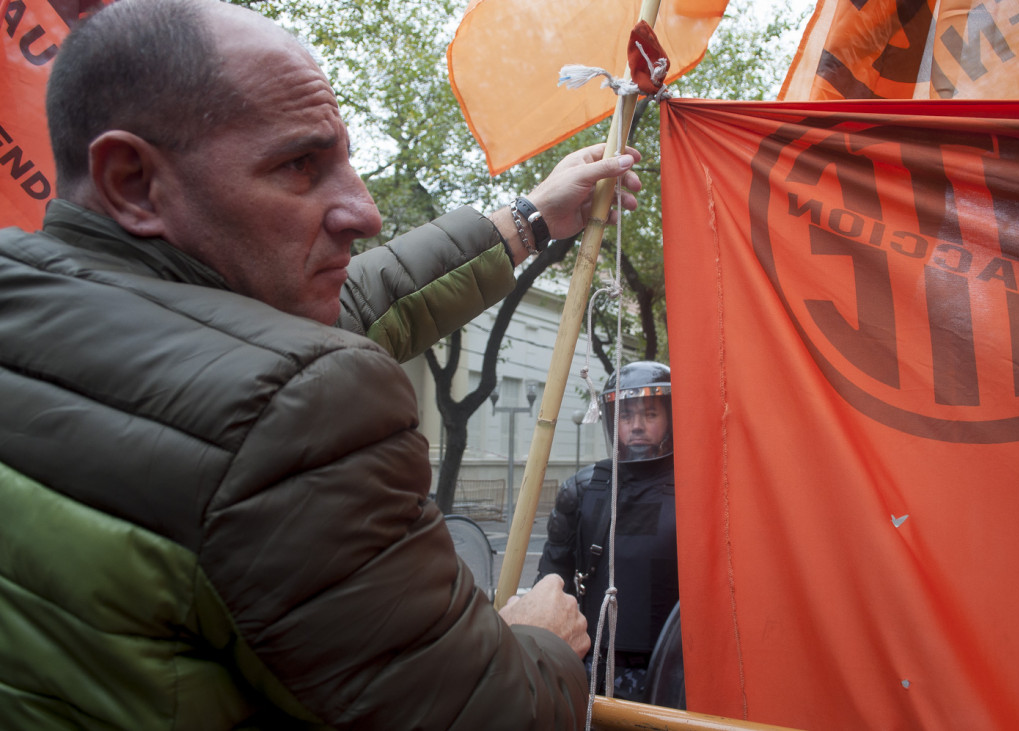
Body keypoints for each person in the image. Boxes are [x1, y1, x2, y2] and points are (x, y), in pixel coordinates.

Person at [0, 0, 644, 728]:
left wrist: (528, 219)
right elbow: (494, 712)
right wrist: (538, 639)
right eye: (301, 165)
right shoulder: (296, 413)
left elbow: (363, 299)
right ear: (131, 179)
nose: (364, 211)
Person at [536, 361, 679, 703]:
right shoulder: (584, 490)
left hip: (673, 671)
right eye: (626, 416)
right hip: (592, 667)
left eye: (650, 414)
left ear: (670, 417)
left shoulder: (699, 489)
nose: (637, 426)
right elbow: (552, 581)